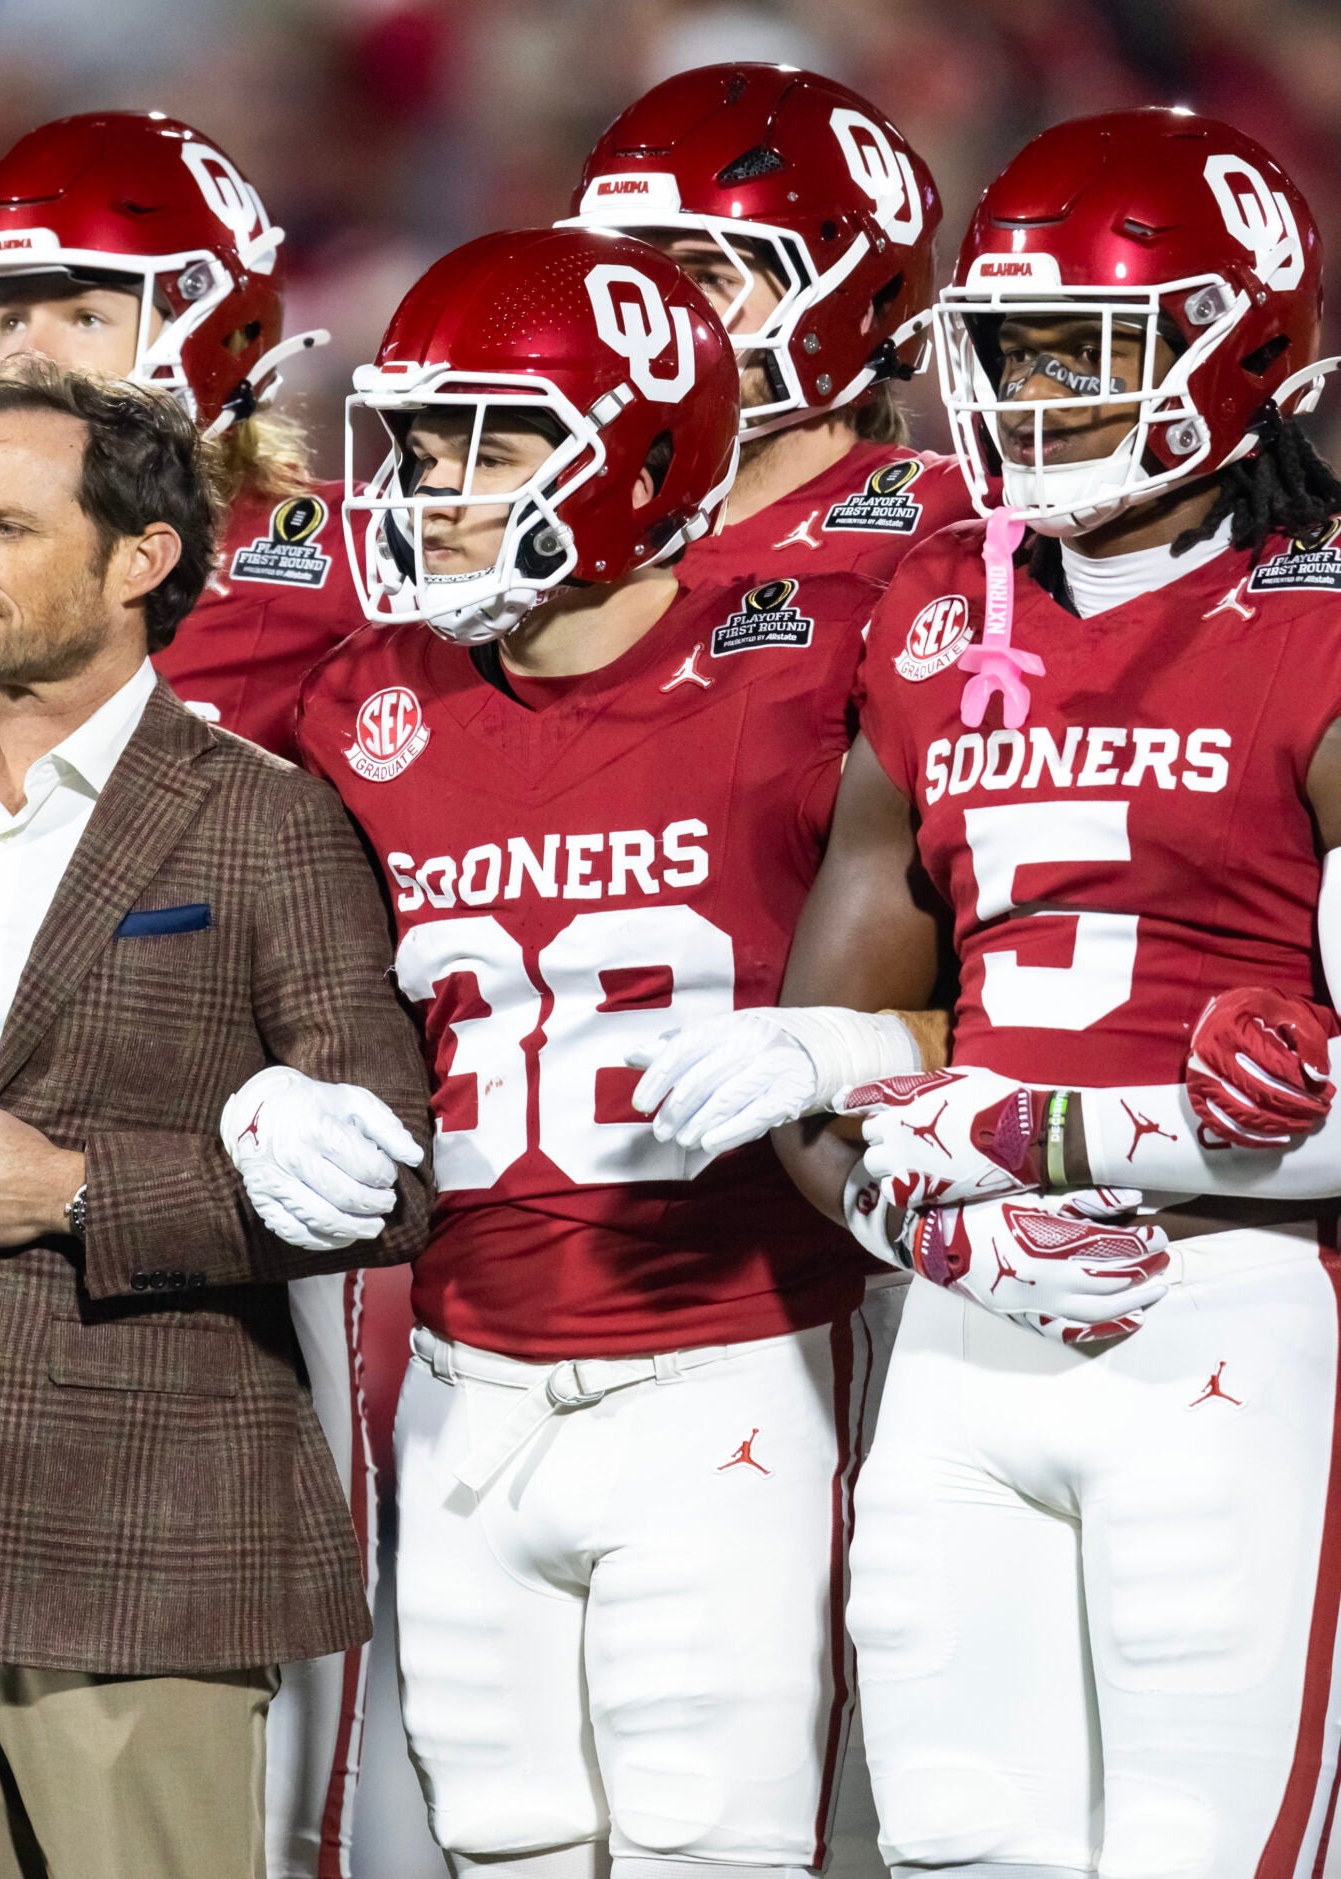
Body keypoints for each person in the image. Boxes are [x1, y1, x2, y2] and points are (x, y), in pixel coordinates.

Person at [637, 109, 1341, 1871]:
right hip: (965, 1321)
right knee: (958, 1842)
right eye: (1011, 347)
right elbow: (831, 1039)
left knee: (1201, 1847)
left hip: (1235, 1304)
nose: (1037, 395)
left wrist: (1047, 1127)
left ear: (1241, 343)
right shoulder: (945, 598)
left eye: (1089, 347)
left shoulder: (1323, 608)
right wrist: (919, 1223)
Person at [0, 356, 431, 1879]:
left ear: (143, 559)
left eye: (9, 525)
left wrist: (76, 1189)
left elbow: (386, 1176)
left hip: (140, 1545)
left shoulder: (265, 816)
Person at [296, 225, 890, 1878]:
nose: (439, 484)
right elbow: (292, 985)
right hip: (467, 1376)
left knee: (719, 1843)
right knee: (501, 1838)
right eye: (420, 441)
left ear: (637, 446)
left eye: (492, 440)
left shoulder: (806, 653)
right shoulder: (365, 699)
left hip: (733, 1357)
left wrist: (866, 1036)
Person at [560, 64, 966, 593]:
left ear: (855, 303)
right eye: (630, 280)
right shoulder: (543, 534)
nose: (651, 319)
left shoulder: (960, 530)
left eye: (707, 275)